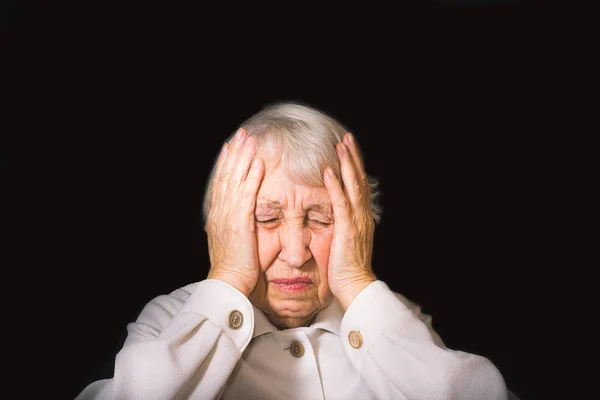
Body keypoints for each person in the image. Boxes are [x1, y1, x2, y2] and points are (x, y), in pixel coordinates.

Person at [75, 101, 510, 400]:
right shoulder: (171, 319)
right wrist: (226, 276)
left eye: (321, 220)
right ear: (222, 227)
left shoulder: (393, 321)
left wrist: (358, 283)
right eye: (267, 219)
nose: (296, 252)